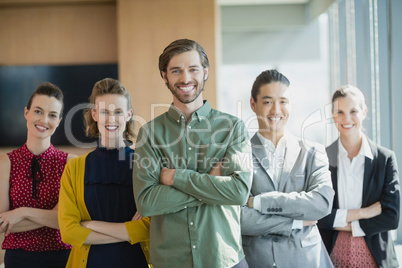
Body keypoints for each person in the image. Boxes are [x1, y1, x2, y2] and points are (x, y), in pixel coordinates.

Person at [132, 39, 253, 268]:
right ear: (164, 75)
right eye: (176, 70)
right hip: (170, 262)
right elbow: (147, 202)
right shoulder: (149, 133)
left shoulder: (234, 128)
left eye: (193, 69)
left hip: (224, 259)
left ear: (205, 72)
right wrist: (212, 183)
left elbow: (238, 192)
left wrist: (175, 178)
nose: (185, 78)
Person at [241, 69, 334, 268]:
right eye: (267, 102)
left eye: (283, 101)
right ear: (253, 104)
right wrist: (295, 222)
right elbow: (239, 217)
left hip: (306, 261)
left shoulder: (313, 152)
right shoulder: (238, 155)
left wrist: (260, 201)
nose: (276, 110)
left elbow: (321, 203)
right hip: (257, 261)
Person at [58, 78, 151, 268]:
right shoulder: (74, 168)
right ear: (94, 114)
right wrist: (127, 232)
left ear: (128, 115)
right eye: (104, 112)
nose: (111, 119)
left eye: (118, 112)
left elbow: (149, 228)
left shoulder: (145, 165)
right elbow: (68, 232)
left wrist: (89, 225)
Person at [317, 85, 400, 268]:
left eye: (353, 111)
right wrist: (362, 213)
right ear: (333, 115)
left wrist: (352, 226)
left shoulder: (384, 159)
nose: (347, 119)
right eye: (340, 112)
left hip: (376, 257)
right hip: (332, 256)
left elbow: (391, 217)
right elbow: (318, 215)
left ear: (364, 112)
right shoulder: (322, 159)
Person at [0, 82, 73, 267]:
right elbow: (2, 223)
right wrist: (52, 217)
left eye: (52, 115)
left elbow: (66, 220)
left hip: (62, 256)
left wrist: (21, 213)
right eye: (38, 111)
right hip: (18, 259)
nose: (44, 120)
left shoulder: (70, 163)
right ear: (27, 113)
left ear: (59, 120)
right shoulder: (5, 162)